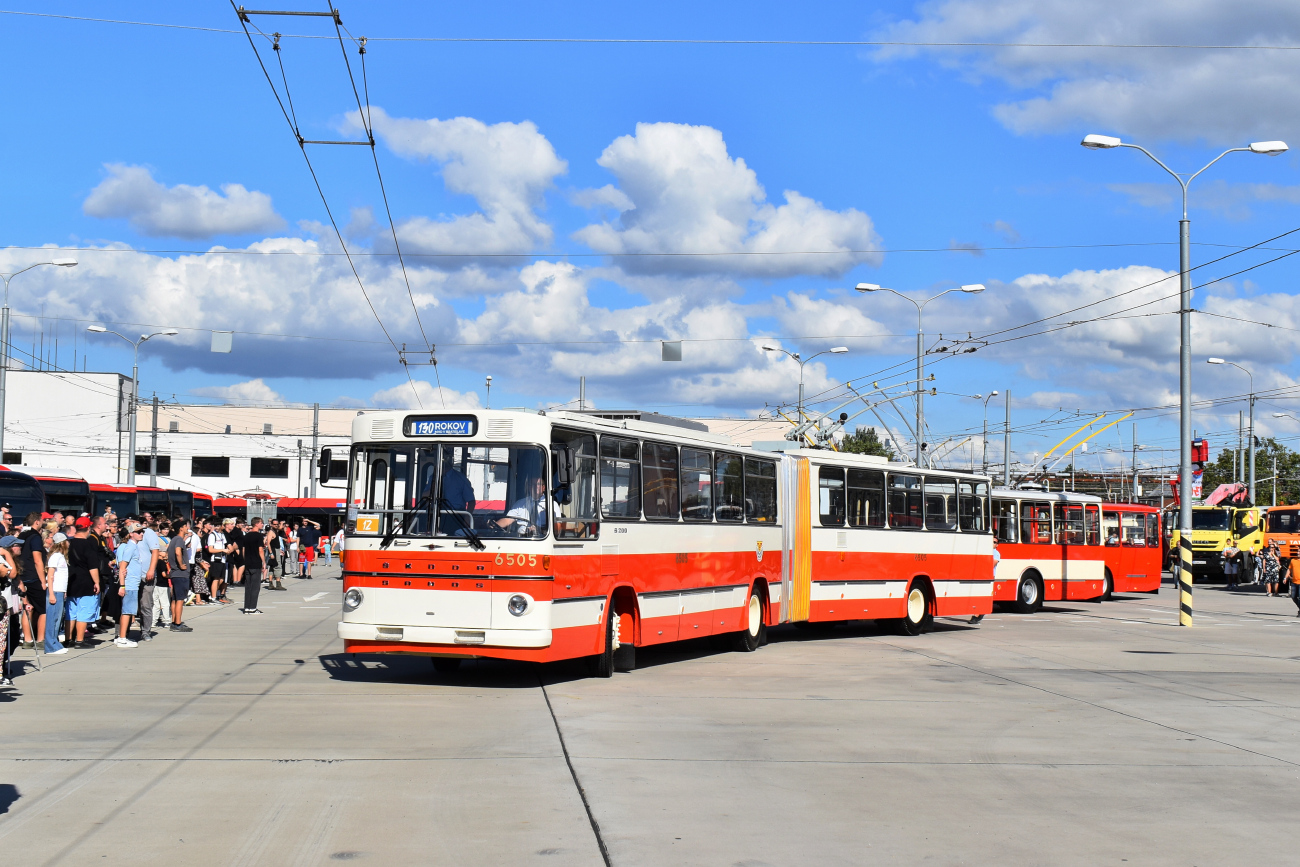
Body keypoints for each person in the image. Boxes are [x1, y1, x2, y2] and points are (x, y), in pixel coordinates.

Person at [66, 519, 102, 648]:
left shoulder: (68, 543)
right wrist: (97, 582)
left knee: (71, 612)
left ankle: (68, 639)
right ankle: (80, 640)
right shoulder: (87, 545)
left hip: (70, 581)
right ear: (88, 529)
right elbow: (93, 566)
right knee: (83, 612)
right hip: (85, 581)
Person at [115, 524, 151, 647]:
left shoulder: (134, 547)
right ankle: (122, 638)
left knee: (129, 611)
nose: (141, 534)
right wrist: (122, 585)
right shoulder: (130, 547)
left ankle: (122, 637)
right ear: (131, 534)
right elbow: (122, 566)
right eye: (138, 532)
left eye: (142, 532)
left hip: (133, 583)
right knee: (127, 611)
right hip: (130, 584)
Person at [16, 512, 47, 649]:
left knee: (27, 608)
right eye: (41, 521)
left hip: (22, 576)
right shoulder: (35, 537)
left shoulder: (22, 535)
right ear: (36, 522)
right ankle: (41, 640)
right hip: (33, 576)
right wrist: (43, 581)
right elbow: (37, 560)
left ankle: (27, 640)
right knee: (43, 609)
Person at [133, 517, 165, 640]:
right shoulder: (129, 536)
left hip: (146, 574)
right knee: (131, 604)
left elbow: (155, 552)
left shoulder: (148, 533)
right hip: (133, 575)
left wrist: (151, 570)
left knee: (145, 604)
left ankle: (146, 631)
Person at [42, 532, 70, 654]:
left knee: (58, 619)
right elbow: (50, 575)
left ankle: (55, 642)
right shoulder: (55, 556)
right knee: (52, 618)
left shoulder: (61, 556)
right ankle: (50, 646)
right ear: (62, 543)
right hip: (55, 590)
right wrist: (51, 593)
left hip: (60, 590)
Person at [166, 521, 193, 631]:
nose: (187, 528)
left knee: (175, 598)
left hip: (175, 574)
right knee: (180, 599)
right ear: (181, 528)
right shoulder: (178, 540)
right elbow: (178, 552)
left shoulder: (174, 540)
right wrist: (181, 564)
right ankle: (177, 623)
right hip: (180, 574)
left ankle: (174, 621)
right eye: (185, 526)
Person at [241, 517, 268, 614]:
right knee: (255, 586)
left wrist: (246, 560)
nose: (262, 525)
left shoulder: (246, 536)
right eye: (261, 523)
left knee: (248, 586)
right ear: (256, 524)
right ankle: (253, 608)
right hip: (256, 563)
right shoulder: (258, 536)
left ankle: (247, 607)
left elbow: (243, 550)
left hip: (248, 563)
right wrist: (263, 562)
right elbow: (260, 550)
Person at [971, 538, 999, 625]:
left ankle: (977, 615)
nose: (992, 543)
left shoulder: (996, 553)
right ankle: (978, 613)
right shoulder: (984, 551)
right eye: (991, 541)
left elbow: (992, 564)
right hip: (980, 575)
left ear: (997, 545)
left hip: (989, 576)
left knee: (984, 596)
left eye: (994, 542)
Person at [207, 520, 231, 604]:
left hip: (222, 559)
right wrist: (222, 550)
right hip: (215, 559)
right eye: (215, 526)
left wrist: (228, 549)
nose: (217, 527)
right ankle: (213, 597)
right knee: (216, 578)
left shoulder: (221, 535)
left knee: (221, 579)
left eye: (218, 525)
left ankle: (214, 595)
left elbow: (226, 544)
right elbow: (210, 549)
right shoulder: (212, 535)